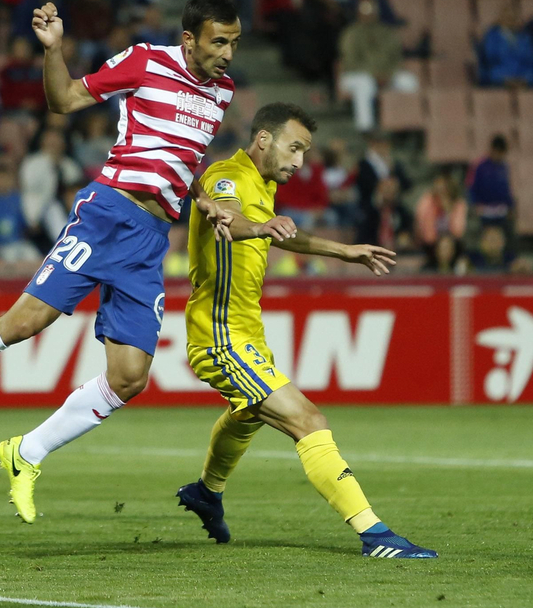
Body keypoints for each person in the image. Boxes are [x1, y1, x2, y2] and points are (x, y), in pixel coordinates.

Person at [0, 0, 241, 526]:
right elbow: (64, 99)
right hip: (109, 212)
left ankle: (27, 453)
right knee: (23, 323)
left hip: (151, 237)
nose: (228, 53)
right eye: (219, 41)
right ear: (190, 40)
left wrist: (203, 197)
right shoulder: (145, 61)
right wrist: (54, 50)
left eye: (234, 42)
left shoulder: (222, 93)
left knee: (131, 377)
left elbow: (182, 160)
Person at [173, 103, 432, 559]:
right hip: (219, 335)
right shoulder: (226, 175)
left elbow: (280, 234)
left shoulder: (265, 184)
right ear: (263, 140)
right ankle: (374, 534)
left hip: (247, 333)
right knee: (308, 421)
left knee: (247, 414)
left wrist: (344, 251)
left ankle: (207, 493)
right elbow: (227, 216)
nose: (299, 162)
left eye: (305, 153)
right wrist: (258, 225)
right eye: (294, 148)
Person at [335, 0, 415, 133]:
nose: (368, 17)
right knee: (365, 83)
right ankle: (365, 128)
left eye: (371, 14)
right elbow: (350, 62)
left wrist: (388, 73)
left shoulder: (387, 32)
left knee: (408, 81)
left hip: (385, 74)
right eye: (365, 14)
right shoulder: (350, 34)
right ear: (359, 15)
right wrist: (374, 74)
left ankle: (404, 125)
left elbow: (396, 58)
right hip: (355, 75)